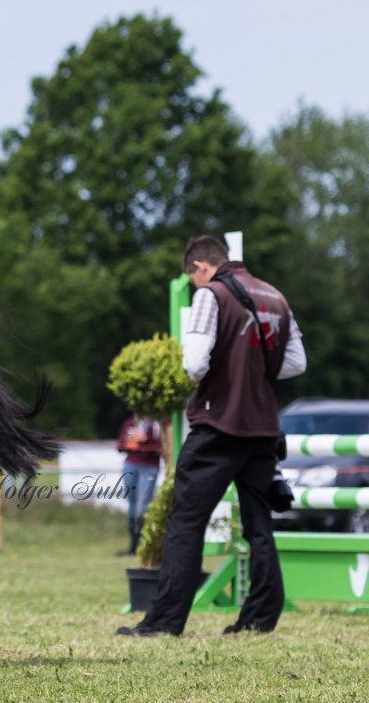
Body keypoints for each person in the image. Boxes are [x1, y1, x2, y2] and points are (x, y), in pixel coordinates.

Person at [117, 235, 306, 637]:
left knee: (185, 520)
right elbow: (296, 363)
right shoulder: (274, 296)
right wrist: (253, 368)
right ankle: (259, 619)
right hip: (262, 428)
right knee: (259, 525)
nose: (195, 287)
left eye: (193, 279)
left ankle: (165, 621)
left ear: (200, 267)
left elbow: (195, 363)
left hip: (218, 423)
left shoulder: (212, 295)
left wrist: (226, 370)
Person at [116, 414, 167, 555]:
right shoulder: (131, 422)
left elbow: (164, 446)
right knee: (131, 505)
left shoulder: (159, 424)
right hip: (131, 464)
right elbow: (120, 445)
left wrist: (145, 440)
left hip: (149, 467)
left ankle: (143, 544)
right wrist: (131, 442)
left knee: (142, 506)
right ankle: (133, 545)